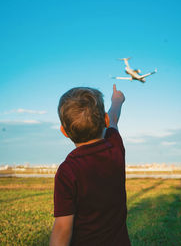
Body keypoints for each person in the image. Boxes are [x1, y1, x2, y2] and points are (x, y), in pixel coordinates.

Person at [50, 84, 131, 246]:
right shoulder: (115, 146)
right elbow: (113, 118)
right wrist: (117, 101)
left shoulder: (67, 170)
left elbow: (62, 228)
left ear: (64, 131)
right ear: (105, 120)